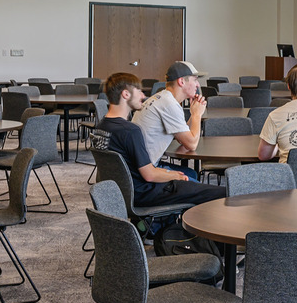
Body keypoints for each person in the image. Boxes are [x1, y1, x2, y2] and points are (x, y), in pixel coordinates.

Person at [91, 71, 226, 209]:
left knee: (190, 178)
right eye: (139, 91)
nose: (143, 96)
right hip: (143, 192)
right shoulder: (130, 131)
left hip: (119, 192)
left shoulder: (102, 125)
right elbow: (149, 174)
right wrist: (175, 176)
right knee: (221, 193)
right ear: (126, 94)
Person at [132, 60, 207, 177]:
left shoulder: (162, 98)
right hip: (146, 173)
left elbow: (182, 137)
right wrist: (197, 115)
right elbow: (191, 144)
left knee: (191, 173)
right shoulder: (169, 104)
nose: (198, 85)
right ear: (181, 81)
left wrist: (193, 114)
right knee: (195, 182)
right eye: (195, 80)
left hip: (139, 167)